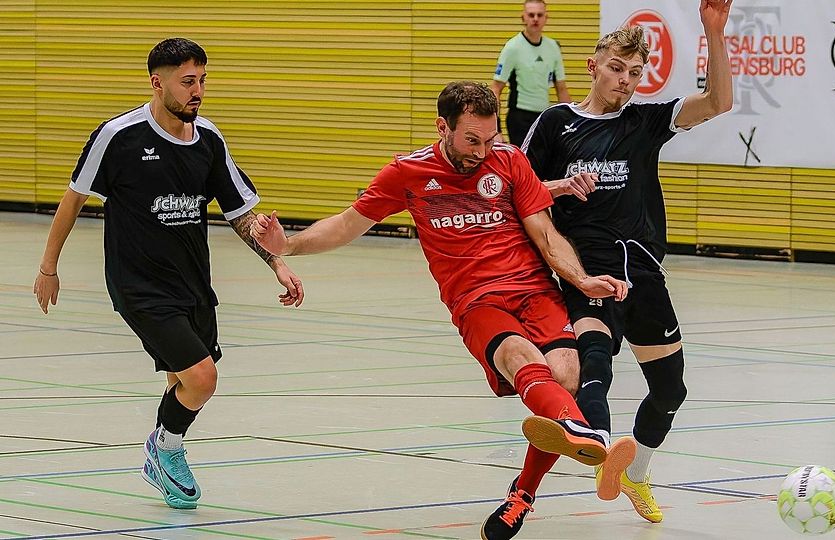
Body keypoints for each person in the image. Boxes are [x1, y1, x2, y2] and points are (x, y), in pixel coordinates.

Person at [250, 81, 633, 540]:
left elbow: (546, 236)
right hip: (476, 300)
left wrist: (582, 280)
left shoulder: (510, 161)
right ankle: (577, 426)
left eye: (490, 138)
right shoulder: (408, 173)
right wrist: (287, 245)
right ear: (442, 127)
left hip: (534, 291)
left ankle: (523, 493)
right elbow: (348, 224)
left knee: (566, 375)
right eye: (472, 140)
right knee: (519, 359)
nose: (483, 150)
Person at [32, 37, 304, 510]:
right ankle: (166, 449)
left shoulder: (209, 140)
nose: (198, 91)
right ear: (158, 84)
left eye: (202, 80)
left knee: (182, 379)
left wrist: (278, 263)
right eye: (187, 82)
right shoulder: (118, 136)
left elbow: (241, 213)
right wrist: (48, 266)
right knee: (202, 379)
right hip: (137, 284)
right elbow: (73, 198)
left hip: (193, 282)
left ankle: (164, 445)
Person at [521, 0, 735, 524]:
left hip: (641, 266)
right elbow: (515, 189)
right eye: (617, 69)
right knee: (596, 353)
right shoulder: (556, 124)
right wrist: (559, 185)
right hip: (585, 262)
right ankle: (595, 442)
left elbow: (719, 103)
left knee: (671, 387)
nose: (625, 81)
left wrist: (712, 29)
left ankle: (633, 470)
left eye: (635, 74)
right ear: (594, 65)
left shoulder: (644, 121)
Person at [492, 0, 571, 145]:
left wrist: (573, 123)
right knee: (524, 163)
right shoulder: (512, 48)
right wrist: (495, 130)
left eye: (539, 15)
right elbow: (495, 89)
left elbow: (562, 89)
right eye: (531, 15)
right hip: (520, 117)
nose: (535, 19)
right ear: (523, 18)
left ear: (546, 18)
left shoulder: (553, 47)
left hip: (543, 116)